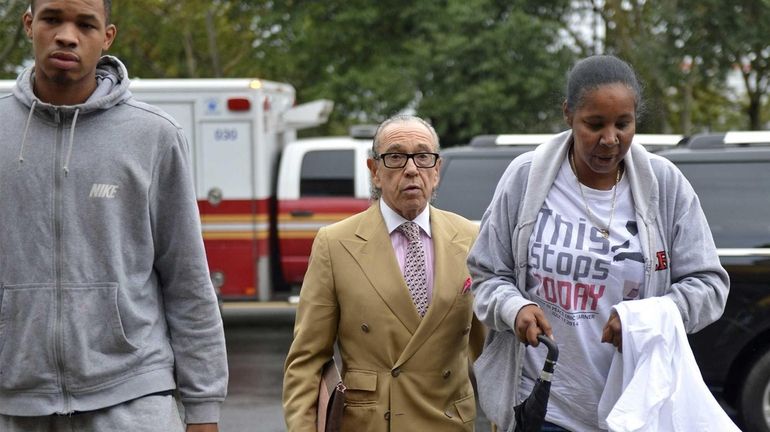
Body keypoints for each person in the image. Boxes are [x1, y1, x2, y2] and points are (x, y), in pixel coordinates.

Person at [467, 55, 729, 432]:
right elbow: (486, 274)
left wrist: (642, 320)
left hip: (635, 410)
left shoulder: (666, 185)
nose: (610, 139)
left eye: (623, 124)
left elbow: (709, 286)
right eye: (594, 124)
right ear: (568, 115)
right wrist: (514, 308)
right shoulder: (526, 178)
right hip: (544, 409)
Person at [0, 1, 228, 431]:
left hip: (134, 398)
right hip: (15, 402)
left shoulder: (154, 136)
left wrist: (203, 410)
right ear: (29, 25)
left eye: (85, 24)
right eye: (52, 19)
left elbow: (187, 280)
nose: (67, 35)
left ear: (107, 37)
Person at [282, 114, 485, 431]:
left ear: (437, 170)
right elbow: (307, 359)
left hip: (449, 421)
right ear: (374, 171)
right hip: (373, 423)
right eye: (395, 157)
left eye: (422, 156)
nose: (411, 168)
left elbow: (486, 352)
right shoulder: (335, 244)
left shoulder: (469, 238)